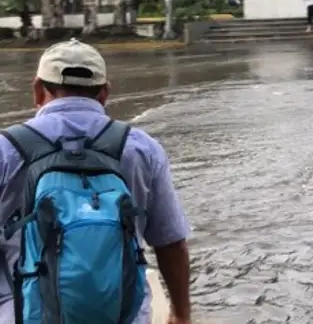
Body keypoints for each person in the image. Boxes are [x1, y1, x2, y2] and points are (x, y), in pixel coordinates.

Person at [0, 40, 192, 324]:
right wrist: (181, 315)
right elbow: (171, 243)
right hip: (120, 316)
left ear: (38, 90)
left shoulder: (5, 149)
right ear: (104, 93)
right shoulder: (141, 148)